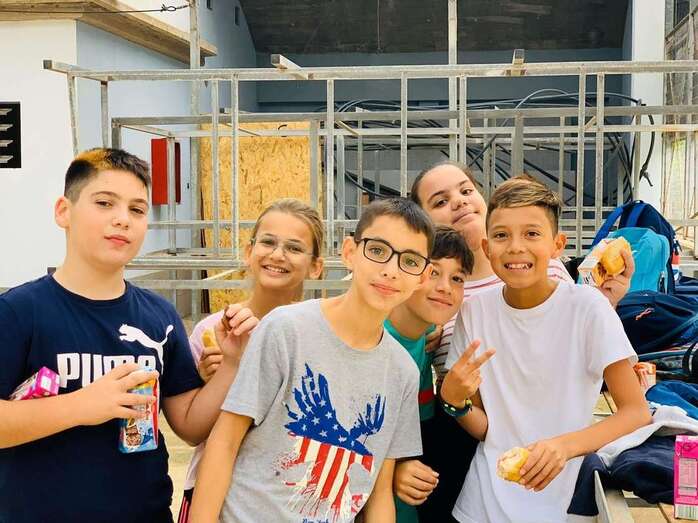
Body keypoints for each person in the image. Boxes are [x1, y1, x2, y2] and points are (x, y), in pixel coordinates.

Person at [0, 148, 255, 522]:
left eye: (137, 210)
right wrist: (81, 405)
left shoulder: (160, 316)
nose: (122, 219)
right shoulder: (18, 312)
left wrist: (231, 365)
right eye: (104, 203)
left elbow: (189, 425)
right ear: (63, 211)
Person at [409, 161, 634, 521]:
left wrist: (564, 446)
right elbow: (488, 428)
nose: (516, 247)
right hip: (481, 500)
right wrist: (453, 401)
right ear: (488, 246)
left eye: (531, 234)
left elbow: (635, 411)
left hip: (558, 500)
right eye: (501, 236)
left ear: (557, 245)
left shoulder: (587, 305)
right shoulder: (472, 310)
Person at [189, 198, 434, 523]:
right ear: (349, 252)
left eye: (410, 261)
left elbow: (378, 491)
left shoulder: (403, 371)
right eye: (377, 250)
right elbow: (225, 442)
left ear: (423, 277)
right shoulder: (285, 328)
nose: (390, 269)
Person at [178, 199, 324, 522]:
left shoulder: (321, 337)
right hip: (213, 499)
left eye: (294, 248)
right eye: (268, 242)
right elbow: (192, 430)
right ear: (249, 251)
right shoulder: (211, 332)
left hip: (286, 501)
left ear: (316, 266)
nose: (277, 255)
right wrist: (215, 381)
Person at [385, 226, 473, 523]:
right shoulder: (373, 341)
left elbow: (414, 436)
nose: (445, 287)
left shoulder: (423, 343)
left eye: (457, 278)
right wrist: (392, 471)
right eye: (433, 272)